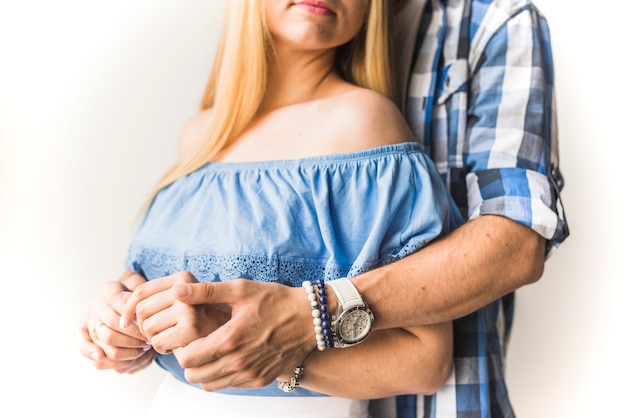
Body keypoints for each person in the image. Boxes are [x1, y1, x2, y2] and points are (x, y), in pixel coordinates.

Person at [75, 0, 570, 417]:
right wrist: (121, 320)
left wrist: (282, 348)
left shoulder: (365, 125)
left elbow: (427, 356)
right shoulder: (200, 135)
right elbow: (158, 294)